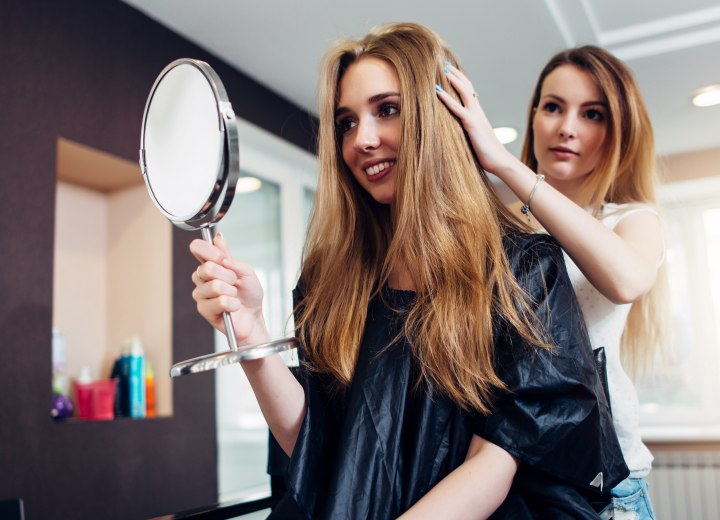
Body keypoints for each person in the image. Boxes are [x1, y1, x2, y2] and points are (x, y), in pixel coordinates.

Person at [190, 23, 627, 519]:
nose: (363, 140)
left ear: (437, 117)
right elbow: (316, 448)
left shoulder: (522, 269)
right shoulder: (329, 281)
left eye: (388, 110)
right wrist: (250, 337)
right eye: (346, 123)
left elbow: (501, 459)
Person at [437, 45, 664, 519]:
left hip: (602, 484)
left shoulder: (631, 221)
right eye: (554, 107)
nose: (567, 127)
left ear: (619, 128)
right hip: (500, 475)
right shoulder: (490, 211)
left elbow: (626, 280)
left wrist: (502, 163)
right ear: (534, 115)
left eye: (593, 114)